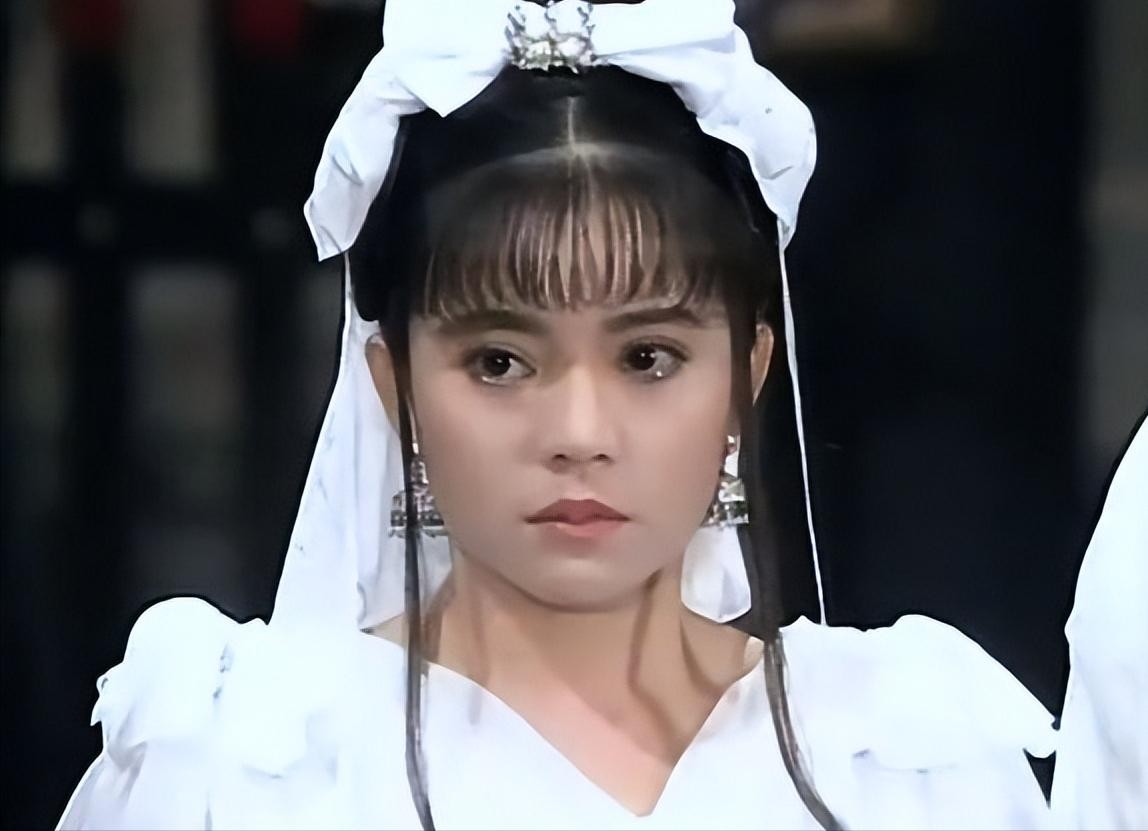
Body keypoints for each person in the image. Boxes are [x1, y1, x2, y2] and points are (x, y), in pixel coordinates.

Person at [57, 0, 1139, 828]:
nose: (579, 431)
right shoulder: (241, 768)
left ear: (747, 373)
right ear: (395, 385)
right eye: (498, 362)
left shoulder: (909, 763)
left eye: (648, 358)